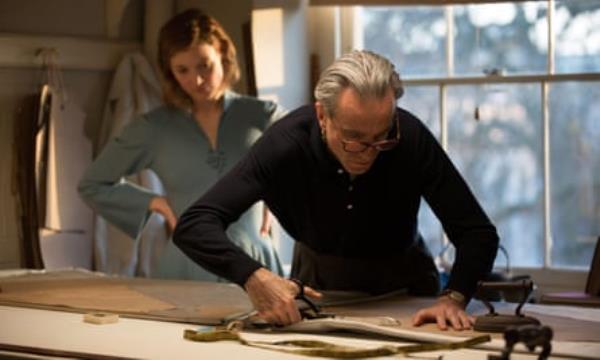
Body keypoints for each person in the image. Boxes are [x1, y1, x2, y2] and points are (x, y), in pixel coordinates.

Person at [173, 50, 499, 330]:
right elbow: (194, 225)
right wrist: (253, 276)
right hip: (318, 287)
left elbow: (477, 233)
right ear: (322, 115)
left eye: (381, 137)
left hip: (408, 286)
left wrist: (454, 297)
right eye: (354, 138)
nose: (369, 152)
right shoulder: (284, 145)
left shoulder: (409, 136)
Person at [78, 8, 284, 280]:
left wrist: (278, 194)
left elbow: (311, 166)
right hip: (187, 268)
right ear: (169, 71)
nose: (197, 80)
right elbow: (92, 184)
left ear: (221, 52)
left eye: (204, 65)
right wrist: (156, 203)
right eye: (182, 70)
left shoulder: (264, 116)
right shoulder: (153, 128)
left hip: (258, 262)